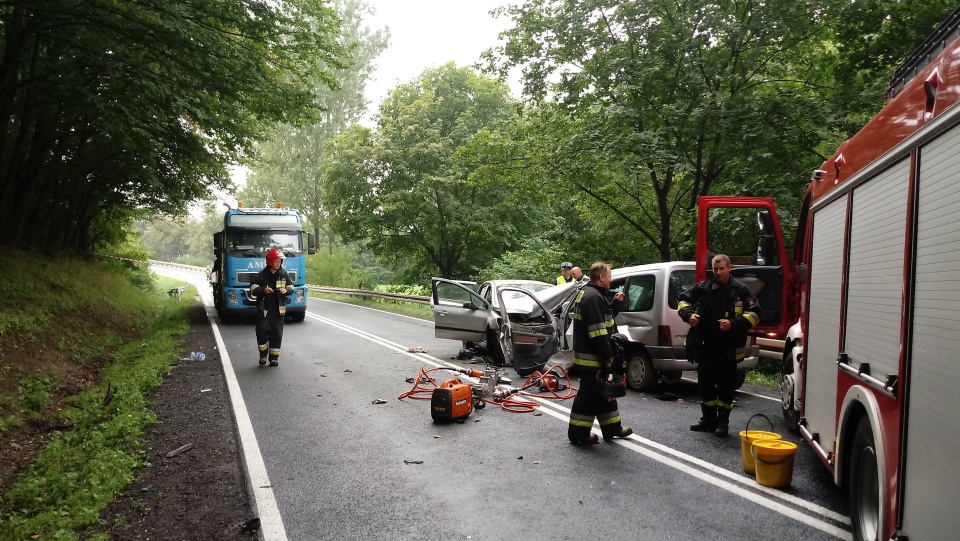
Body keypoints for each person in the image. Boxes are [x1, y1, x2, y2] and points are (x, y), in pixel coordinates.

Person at [677, 254, 760, 437]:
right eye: (715, 269)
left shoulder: (741, 290)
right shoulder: (704, 287)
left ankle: (723, 423)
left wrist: (734, 323)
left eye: (722, 268)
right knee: (705, 384)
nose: (718, 272)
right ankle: (708, 420)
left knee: (725, 386)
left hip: (728, 348)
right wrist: (688, 315)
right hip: (706, 346)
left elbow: (755, 314)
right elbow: (682, 300)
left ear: (729, 268)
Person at [567, 262, 633, 444]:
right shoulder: (593, 297)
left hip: (595, 355)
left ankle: (612, 428)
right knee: (588, 396)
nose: (612, 280)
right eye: (610, 276)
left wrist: (615, 305)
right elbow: (597, 331)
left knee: (605, 391)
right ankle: (578, 434)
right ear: (601, 277)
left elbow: (604, 317)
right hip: (593, 357)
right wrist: (608, 354)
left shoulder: (593, 295)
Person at [250, 248, 294, 367]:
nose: (278, 263)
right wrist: (263, 290)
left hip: (278, 310)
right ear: (270, 261)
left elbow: (291, 287)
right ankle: (263, 356)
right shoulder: (261, 275)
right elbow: (253, 288)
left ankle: (274, 358)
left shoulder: (284, 274)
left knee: (276, 334)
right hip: (263, 309)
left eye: (280, 261)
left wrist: (286, 290)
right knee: (262, 333)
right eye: (276, 261)